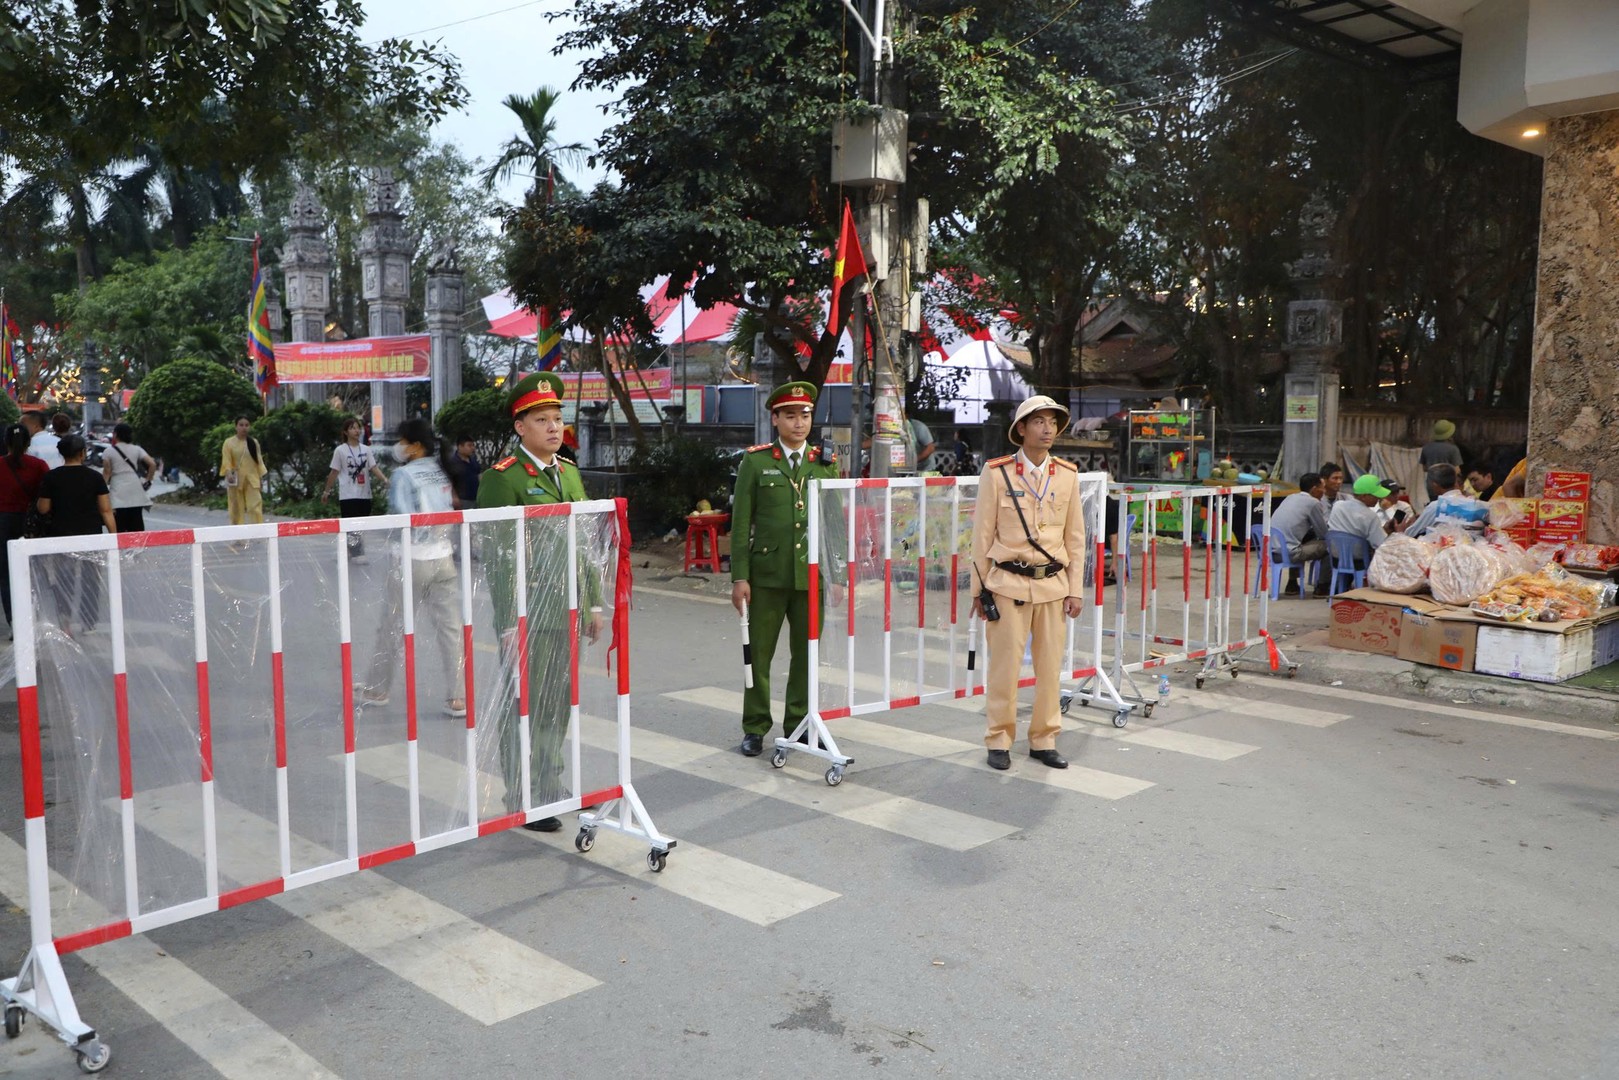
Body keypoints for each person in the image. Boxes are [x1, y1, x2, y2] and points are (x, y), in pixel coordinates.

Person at [477, 371, 603, 832]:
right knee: (523, 706)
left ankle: (549, 785)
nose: (554, 427)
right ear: (520, 427)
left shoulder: (568, 473)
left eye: (556, 418)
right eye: (542, 419)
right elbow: (498, 558)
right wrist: (509, 621)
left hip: (567, 608)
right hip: (528, 613)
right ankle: (522, 796)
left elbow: (584, 540)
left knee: (556, 703)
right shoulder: (502, 480)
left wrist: (592, 602)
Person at [972, 394, 1086, 772]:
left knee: (1050, 668)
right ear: (1021, 429)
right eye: (1039, 421)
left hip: (1052, 587)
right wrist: (978, 589)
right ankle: (999, 739)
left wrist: (1075, 589)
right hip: (1007, 584)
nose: (1048, 428)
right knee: (1004, 669)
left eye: (1053, 422)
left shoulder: (1068, 475)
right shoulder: (997, 472)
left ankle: (1044, 739)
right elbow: (981, 535)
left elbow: (1075, 538)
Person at [730, 382, 841, 757]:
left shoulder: (825, 463)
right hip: (767, 576)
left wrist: (836, 574)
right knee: (758, 654)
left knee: (806, 654)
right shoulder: (756, 461)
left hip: (811, 577)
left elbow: (833, 521)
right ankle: (755, 726)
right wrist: (740, 577)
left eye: (805, 415)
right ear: (775, 418)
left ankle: (799, 724)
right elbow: (742, 523)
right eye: (790, 415)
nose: (799, 422)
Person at [357, 419, 466, 719]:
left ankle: (378, 689)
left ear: (415, 446)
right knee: (450, 629)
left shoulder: (403, 474)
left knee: (392, 626)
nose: (399, 447)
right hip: (444, 558)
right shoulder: (441, 470)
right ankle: (457, 697)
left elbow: (402, 517)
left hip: (411, 559)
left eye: (402, 441)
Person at [36, 433, 116, 636]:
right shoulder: (95, 477)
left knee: (64, 578)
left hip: (61, 535)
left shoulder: (51, 477)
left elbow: (43, 508)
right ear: (82, 453)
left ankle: (65, 620)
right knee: (91, 578)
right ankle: (89, 621)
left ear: (61, 454)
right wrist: (114, 537)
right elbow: (106, 510)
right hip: (91, 535)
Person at [0, 423, 50, 635]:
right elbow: (47, 495)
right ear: (29, 442)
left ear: (5, 442)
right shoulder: (39, 466)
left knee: (6, 574)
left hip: (2, 522)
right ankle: (33, 619)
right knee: (34, 571)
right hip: (31, 524)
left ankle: (15, 624)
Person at [321, 416, 388, 560]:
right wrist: (327, 491)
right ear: (345, 432)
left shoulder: (366, 449)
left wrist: (384, 479)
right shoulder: (340, 450)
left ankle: (349, 549)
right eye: (352, 428)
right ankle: (358, 553)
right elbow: (334, 472)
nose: (357, 431)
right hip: (348, 494)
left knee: (361, 524)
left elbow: (373, 467)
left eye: (358, 427)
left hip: (365, 493)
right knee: (352, 524)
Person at [1269, 472, 1330, 596]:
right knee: (1329, 547)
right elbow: (1323, 533)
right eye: (1322, 487)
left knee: (1301, 540)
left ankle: (1292, 583)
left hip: (1271, 550)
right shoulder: (1313, 503)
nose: (1324, 491)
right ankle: (1322, 587)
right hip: (1289, 553)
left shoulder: (1291, 497)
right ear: (1314, 489)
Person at [1405, 463, 1489, 538]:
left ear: (1434, 485)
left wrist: (1401, 529)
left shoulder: (1436, 507)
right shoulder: (1480, 506)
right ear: (1455, 481)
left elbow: (1410, 534)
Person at [1327, 473, 1406, 553]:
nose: (1379, 498)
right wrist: (1398, 533)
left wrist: (1383, 530)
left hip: (1334, 558)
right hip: (1359, 561)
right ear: (1363, 496)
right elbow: (1382, 545)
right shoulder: (1370, 516)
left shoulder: (1337, 505)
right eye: (1375, 495)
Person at [102, 422, 156, 534]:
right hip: (134, 486)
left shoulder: (108, 451)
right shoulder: (137, 449)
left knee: (119, 521)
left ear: (115, 435)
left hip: (118, 486)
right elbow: (152, 464)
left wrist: (101, 489)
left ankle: (121, 547)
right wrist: (148, 480)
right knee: (136, 519)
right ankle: (137, 547)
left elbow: (107, 472)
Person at [220, 416, 267, 525]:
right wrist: (228, 472)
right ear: (236, 426)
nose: (244, 428)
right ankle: (238, 534)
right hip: (235, 479)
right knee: (236, 508)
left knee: (254, 506)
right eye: (241, 425)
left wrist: (260, 478)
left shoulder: (253, 442)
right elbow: (226, 459)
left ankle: (256, 531)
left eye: (246, 425)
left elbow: (258, 461)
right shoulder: (229, 443)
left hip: (252, 479)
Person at [446, 435, 483, 510]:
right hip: (462, 500)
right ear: (460, 446)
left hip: (476, 497)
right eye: (469, 445)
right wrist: (454, 497)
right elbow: (449, 482)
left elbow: (479, 475)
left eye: (473, 445)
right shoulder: (452, 462)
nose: (472, 448)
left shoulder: (473, 460)